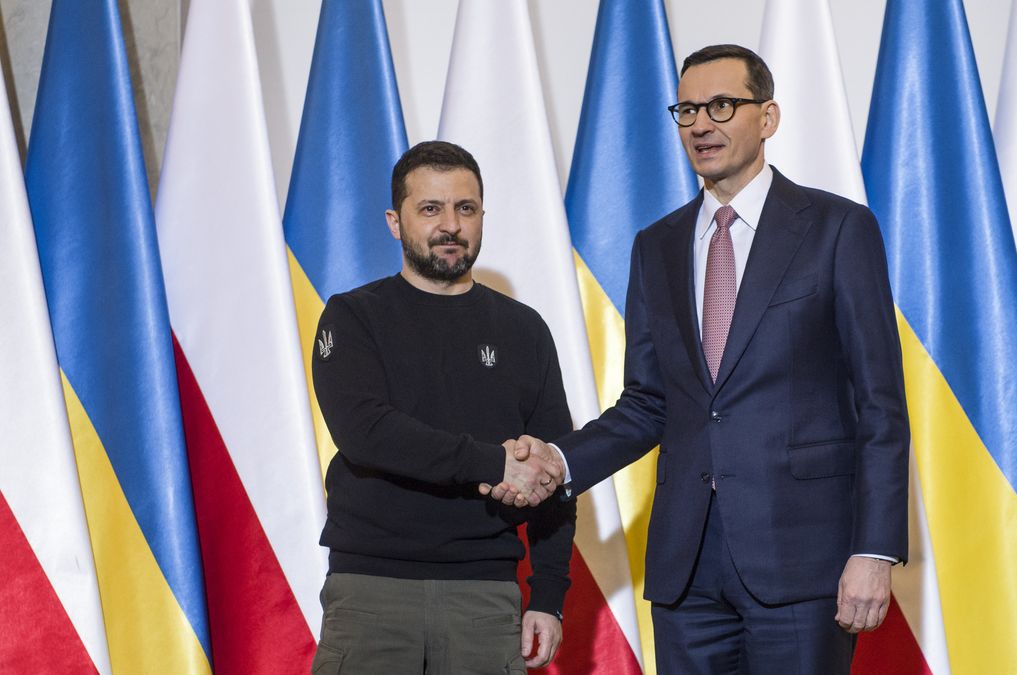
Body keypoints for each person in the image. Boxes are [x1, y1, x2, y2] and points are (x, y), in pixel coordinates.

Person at [487, 44, 909, 673]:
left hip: (803, 563)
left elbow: (880, 404)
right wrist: (558, 460)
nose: (701, 124)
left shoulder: (838, 228)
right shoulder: (655, 246)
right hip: (687, 574)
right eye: (687, 110)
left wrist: (875, 548)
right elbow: (649, 403)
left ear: (767, 117)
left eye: (721, 105)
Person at [310, 140, 575, 674]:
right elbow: (367, 432)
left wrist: (547, 595)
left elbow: (554, 470)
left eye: (465, 208)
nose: (450, 225)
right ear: (394, 220)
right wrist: (493, 463)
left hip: (487, 598)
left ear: (481, 216)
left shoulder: (524, 330)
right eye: (430, 209)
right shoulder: (352, 317)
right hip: (370, 594)